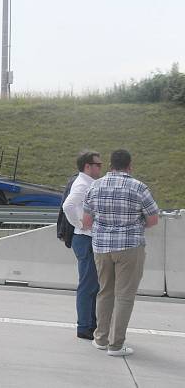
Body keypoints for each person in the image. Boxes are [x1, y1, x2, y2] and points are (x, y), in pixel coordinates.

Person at [83, 149, 159, 357]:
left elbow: (87, 222)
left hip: (101, 248)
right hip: (129, 247)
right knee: (124, 296)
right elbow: (153, 219)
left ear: (110, 165)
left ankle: (100, 339)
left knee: (104, 292)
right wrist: (135, 224)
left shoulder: (95, 186)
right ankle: (116, 345)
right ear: (130, 165)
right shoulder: (139, 187)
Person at [62, 150, 103, 340]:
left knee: (92, 284)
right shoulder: (82, 185)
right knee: (88, 285)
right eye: (98, 165)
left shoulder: (88, 183)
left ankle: (90, 324)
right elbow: (68, 206)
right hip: (85, 238)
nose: (100, 167)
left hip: (86, 238)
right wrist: (80, 224)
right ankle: (85, 326)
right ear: (88, 166)